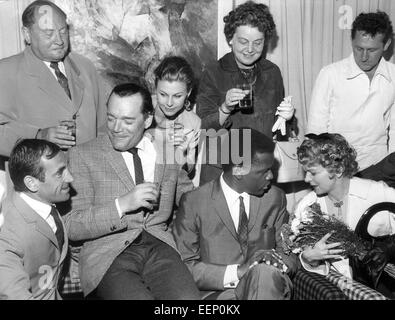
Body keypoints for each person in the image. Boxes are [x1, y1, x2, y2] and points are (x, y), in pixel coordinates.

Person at [63, 82, 200, 299]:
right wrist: (122, 204)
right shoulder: (82, 155)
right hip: (108, 254)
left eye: (127, 121)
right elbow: (72, 225)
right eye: (111, 118)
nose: (116, 128)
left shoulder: (166, 148)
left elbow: (191, 200)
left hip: (160, 247)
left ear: (147, 120)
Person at [173, 128, 298, 300]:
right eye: (264, 171)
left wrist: (275, 264)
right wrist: (239, 271)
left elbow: (289, 252)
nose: (271, 176)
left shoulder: (275, 198)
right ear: (238, 170)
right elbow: (184, 267)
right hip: (220, 294)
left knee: (263, 273)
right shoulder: (194, 203)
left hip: (269, 286)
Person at [196, 1, 294, 185]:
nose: (250, 49)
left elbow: (279, 130)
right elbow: (203, 128)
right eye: (243, 41)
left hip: (260, 170)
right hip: (221, 170)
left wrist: (287, 119)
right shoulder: (213, 72)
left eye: (258, 42)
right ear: (231, 38)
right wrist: (225, 108)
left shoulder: (272, 72)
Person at [0, 0, 106, 157]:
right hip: (39, 179)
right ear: (27, 34)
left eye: (63, 31)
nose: (59, 41)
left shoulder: (85, 66)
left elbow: (104, 124)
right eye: (49, 34)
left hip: (90, 175)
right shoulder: (5, 71)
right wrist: (38, 136)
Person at [295, 133, 395, 277]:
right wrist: (308, 258)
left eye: (312, 173)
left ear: (338, 169)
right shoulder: (307, 206)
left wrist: (388, 248)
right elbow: (297, 259)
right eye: (305, 173)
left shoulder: (378, 192)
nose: (306, 179)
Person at [307, 11, 395, 174]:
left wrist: (392, 167)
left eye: (372, 50)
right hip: (336, 166)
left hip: (379, 165)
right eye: (358, 48)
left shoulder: (393, 75)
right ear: (352, 41)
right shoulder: (330, 74)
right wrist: (321, 170)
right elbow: (316, 128)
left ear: (387, 44)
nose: (364, 56)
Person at [0, 139, 72, 299]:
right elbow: (13, 294)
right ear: (31, 183)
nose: (70, 178)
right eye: (60, 173)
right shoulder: (7, 234)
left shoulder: (41, 201)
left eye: (67, 168)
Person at [149, 56, 201, 182]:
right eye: (163, 94)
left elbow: (190, 170)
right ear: (155, 88)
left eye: (177, 96)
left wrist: (181, 152)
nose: (169, 103)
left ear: (188, 93)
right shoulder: (143, 108)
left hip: (169, 186)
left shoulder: (193, 122)